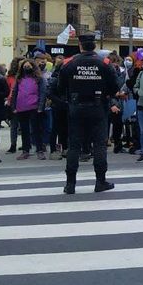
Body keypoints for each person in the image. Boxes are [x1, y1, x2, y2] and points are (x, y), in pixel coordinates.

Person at [57, 34, 119, 194]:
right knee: (99, 145)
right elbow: (115, 87)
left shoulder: (69, 63)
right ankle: (100, 182)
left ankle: (70, 184)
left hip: (76, 107)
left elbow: (59, 87)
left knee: (74, 146)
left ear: (80, 45)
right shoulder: (104, 63)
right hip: (98, 108)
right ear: (94, 45)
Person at [9, 59, 47, 160]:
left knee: (36, 130)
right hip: (21, 107)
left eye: (28, 65)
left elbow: (43, 93)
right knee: (24, 130)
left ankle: (39, 150)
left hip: (34, 107)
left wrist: (40, 107)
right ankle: (25, 150)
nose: (26, 67)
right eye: (24, 66)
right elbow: (15, 92)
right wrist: (13, 106)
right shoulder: (19, 78)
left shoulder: (39, 78)